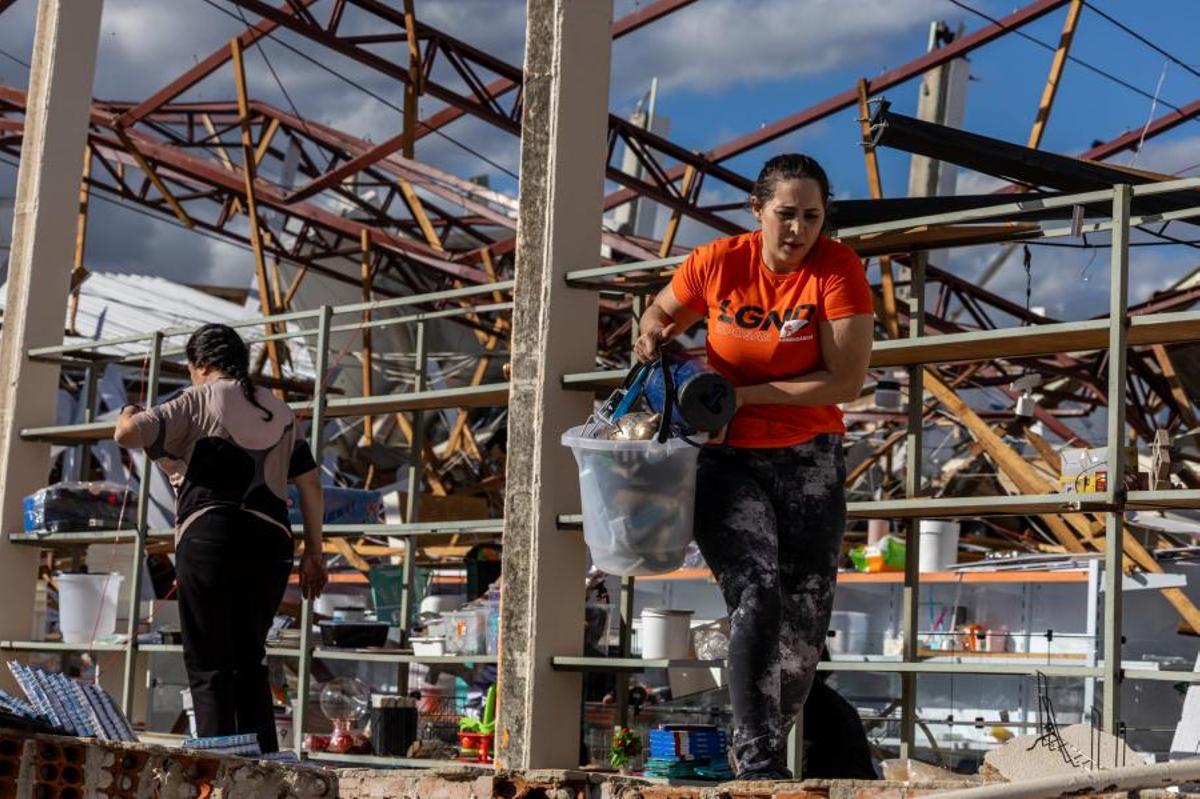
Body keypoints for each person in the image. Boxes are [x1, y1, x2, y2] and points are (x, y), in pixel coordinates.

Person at [634, 153, 874, 779]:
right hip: (724, 452)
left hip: (807, 454)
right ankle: (757, 758)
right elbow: (659, 312)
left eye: (812, 218)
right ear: (757, 211)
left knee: (807, 610)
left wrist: (749, 393)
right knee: (756, 591)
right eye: (786, 215)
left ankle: (762, 744)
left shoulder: (838, 268)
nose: (798, 230)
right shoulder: (718, 262)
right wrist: (653, 333)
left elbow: (844, 380)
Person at [114, 323, 328, 753]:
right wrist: (315, 555)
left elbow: (127, 435)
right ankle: (266, 769)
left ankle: (219, 773)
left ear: (202, 365)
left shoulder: (198, 397)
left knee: (210, 662)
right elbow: (310, 485)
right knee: (250, 659)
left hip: (211, 535)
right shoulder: (282, 412)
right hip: (272, 544)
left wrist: (127, 412)